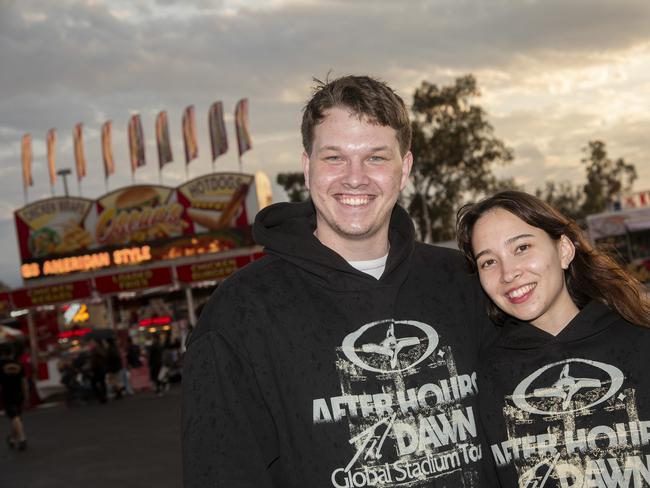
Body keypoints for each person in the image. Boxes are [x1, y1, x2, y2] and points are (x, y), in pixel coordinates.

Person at [183, 75, 496, 487]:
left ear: (404, 169)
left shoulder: (463, 281)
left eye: (376, 158)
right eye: (334, 157)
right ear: (306, 166)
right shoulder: (243, 312)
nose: (354, 177)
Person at [456, 190, 650, 487]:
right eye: (488, 262)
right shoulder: (486, 374)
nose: (508, 273)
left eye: (521, 248)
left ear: (563, 251)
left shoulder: (639, 341)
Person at [0, 343, 29, 451]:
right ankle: (12, 438)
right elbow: (24, 381)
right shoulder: (19, 364)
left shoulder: (0, 365)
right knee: (17, 418)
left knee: (14, 417)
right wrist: (26, 395)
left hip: (7, 393)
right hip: (19, 393)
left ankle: (22, 439)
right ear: (12, 352)